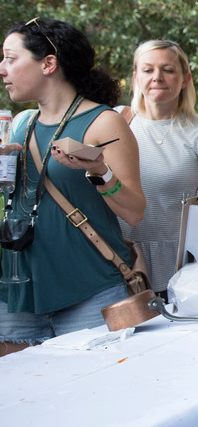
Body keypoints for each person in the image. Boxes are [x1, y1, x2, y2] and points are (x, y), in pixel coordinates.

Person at [0, 18, 146, 351]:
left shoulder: (103, 122)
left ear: (48, 63)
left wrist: (99, 169)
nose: (2, 69)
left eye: (10, 58)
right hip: (19, 293)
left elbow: (135, 212)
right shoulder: (20, 124)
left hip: (89, 292)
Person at [119, 39, 198, 294]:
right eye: (148, 70)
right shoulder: (115, 123)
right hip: (120, 265)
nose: (157, 77)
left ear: (185, 79)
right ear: (136, 77)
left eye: (168, 70)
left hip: (179, 270)